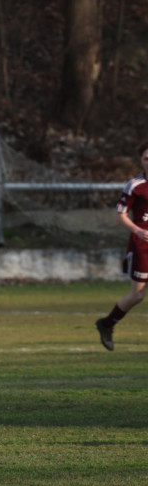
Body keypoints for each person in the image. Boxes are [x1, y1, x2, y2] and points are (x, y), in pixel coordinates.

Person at [95, 140, 148, 351]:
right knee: (137, 295)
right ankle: (106, 324)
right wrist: (137, 230)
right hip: (142, 244)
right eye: (146, 159)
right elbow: (120, 217)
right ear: (141, 161)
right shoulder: (135, 185)